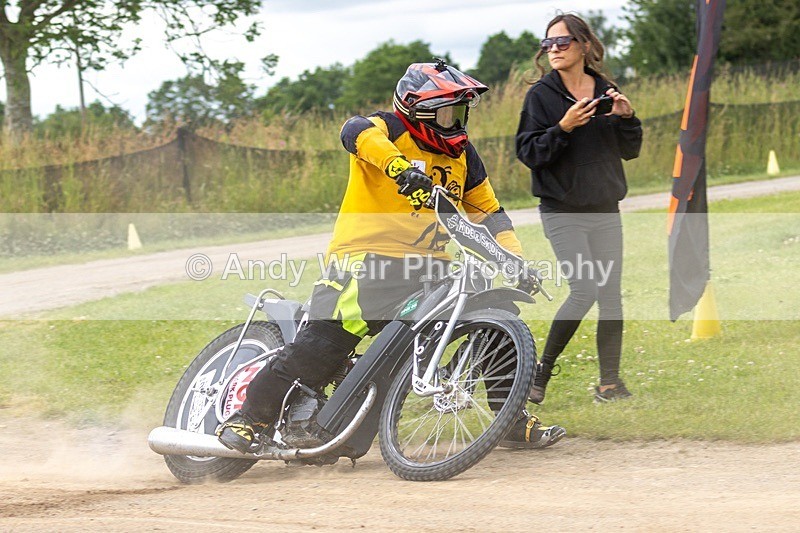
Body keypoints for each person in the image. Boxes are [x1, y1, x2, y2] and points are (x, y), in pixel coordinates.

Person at [218, 60, 566, 453]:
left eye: (460, 112)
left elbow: (490, 212)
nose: (456, 121)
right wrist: (400, 170)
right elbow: (354, 131)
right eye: (447, 113)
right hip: (363, 261)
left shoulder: (464, 156)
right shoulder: (387, 129)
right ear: (418, 111)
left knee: (494, 320)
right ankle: (249, 417)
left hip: (430, 270)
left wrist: (515, 259)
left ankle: (508, 418)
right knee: (322, 346)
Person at [516, 14, 643, 404]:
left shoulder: (605, 90)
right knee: (585, 289)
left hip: (605, 209)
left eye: (563, 42)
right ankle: (540, 371)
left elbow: (630, 150)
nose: (553, 49)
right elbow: (529, 152)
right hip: (562, 211)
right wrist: (563, 128)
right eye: (548, 44)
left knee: (611, 297)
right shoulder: (541, 96)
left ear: (584, 45)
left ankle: (609, 385)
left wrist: (627, 119)